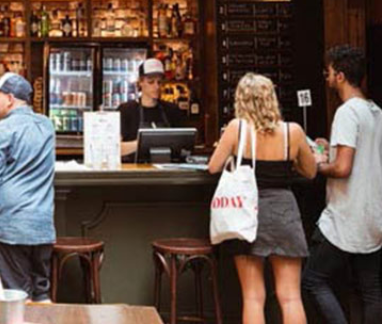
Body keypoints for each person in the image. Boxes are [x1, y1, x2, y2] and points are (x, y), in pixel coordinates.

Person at [209, 73, 317, 324]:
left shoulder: (237, 128)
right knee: (290, 297)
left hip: (248, 213)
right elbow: (310, 172)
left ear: (241, 100)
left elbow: (213, 167)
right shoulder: (293, 132)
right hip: (284, 212)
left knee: (253, 297)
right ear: (271, 99)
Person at [302, 45, 382, 324]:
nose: (326, 77)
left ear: (340, 75)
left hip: (347, 214)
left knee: (313, 280)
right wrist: (329, 148)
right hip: (373, 214)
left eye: (329, 71)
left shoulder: (347, 112)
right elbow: (364, 157)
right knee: (370, 289)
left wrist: (315, 165)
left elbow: (342, 168)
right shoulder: (375, 111)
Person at [0, 72, 56, 302]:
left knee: (17, 300)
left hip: (12, 227)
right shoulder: (47, 125)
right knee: (41, 295)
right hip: (42, 226)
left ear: (9, 99)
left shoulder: (2, 129)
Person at [118, 58, 185, 158]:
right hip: (135, 167)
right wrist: (145, 143)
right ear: (140, 82)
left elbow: (183, 144)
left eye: (159, 82)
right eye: (151, 82)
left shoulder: (172, 110)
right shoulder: (126, 110)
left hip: (166, 166)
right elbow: (115, 148)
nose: (156, 87)